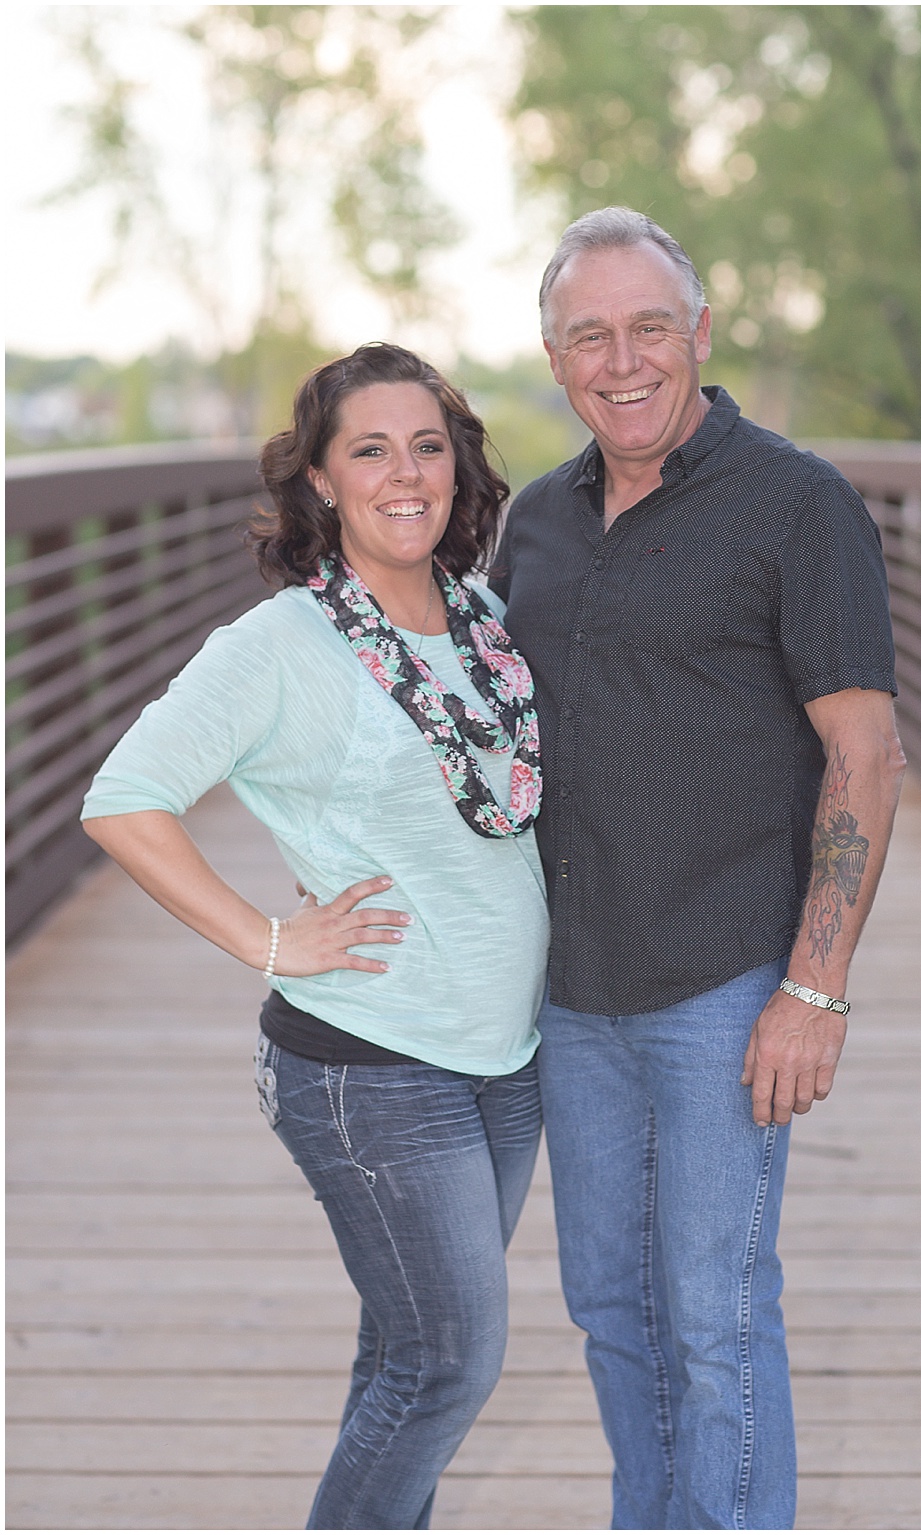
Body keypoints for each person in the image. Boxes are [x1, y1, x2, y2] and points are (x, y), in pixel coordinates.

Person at [81, 343, 547, 1529]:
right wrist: (269, 940)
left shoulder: (482, 619)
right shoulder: (285, 644)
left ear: (458, 466)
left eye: (428, 445)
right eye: (370, 449)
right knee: (448, 1365)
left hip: (503, 1053)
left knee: (401, 1361)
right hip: (374, 1062)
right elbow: (125, 799)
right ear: (324, 481)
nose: (407, 473)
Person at [490, 206, 905, 1530]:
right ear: (555, 359)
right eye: (590, 335)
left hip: (727, 981)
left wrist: (816, 986)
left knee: (716, 1313)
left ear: (701, 334)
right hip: (570, 989)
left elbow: (867, 751)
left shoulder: (796, 502)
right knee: (612, 1308)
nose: (624, 359)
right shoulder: (534, 524)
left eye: (650, 327)